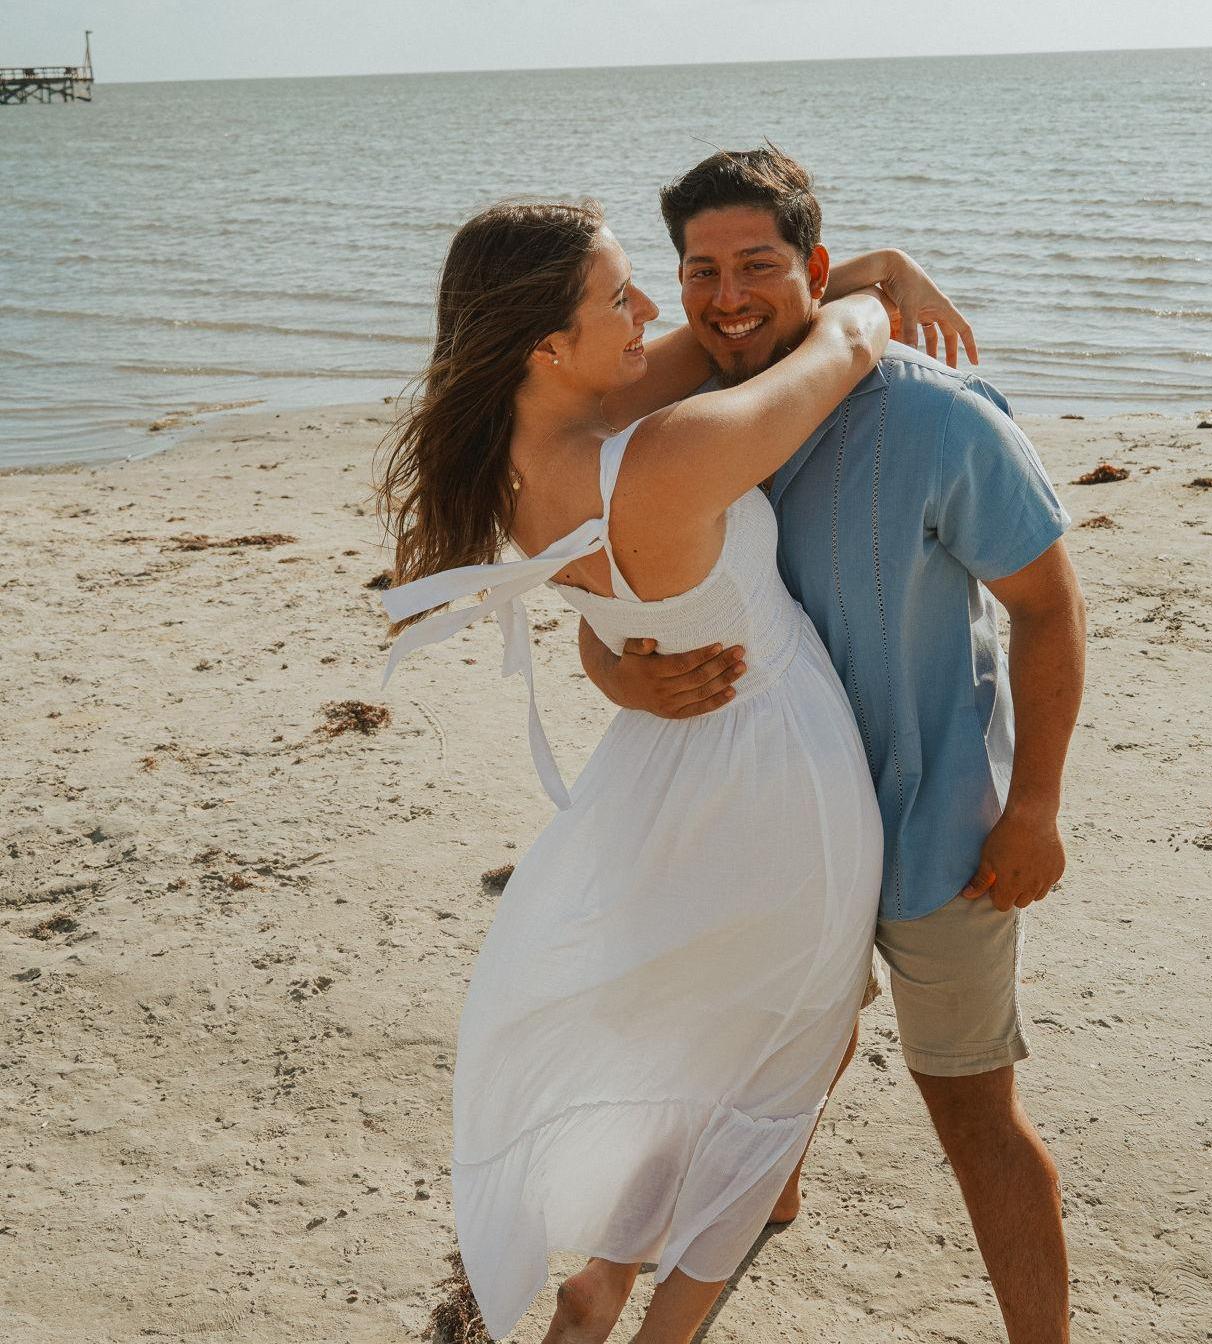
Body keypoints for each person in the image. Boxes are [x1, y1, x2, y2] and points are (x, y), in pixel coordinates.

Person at [374, 199, 972, 1343]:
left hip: (656, 776)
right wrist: (876, 283)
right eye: (618, 297)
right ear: (549, 344)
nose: (651, 307)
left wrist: (614, 670)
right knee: (786, 1058)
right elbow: (846, 346)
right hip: (781, 775)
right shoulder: (666, 452)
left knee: (702, 1032)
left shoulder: (515, 455)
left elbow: (713, 344)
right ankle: (658, 1320)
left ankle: (605, 1275)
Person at [580, 147, 1087, 1344]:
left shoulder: (933, 415)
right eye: (699, 271)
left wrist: (1034, 808)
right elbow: (609, 610)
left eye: (756, 265)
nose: (725, 296)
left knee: (970, 1112)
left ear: (816, 270)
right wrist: (623, 678)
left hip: (935, 832)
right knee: (765, 1060)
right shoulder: (685, 430)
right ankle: (773, 1194)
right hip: (771, 826)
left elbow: (1046, 606)